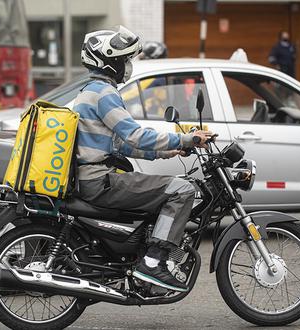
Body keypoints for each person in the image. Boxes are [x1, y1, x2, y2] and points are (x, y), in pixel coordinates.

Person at [74, 26, 211, 292]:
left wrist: (165, 151)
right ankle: (153, 262)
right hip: (99, 180)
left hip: (91, 178)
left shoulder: (88, 92)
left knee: (165, 189)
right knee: (181, 190)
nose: (128, 66)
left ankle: (141, 256)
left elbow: (119, 144)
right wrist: (186, 139)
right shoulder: (104, 94)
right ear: (110, 61)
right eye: (124, 60)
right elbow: (135, 135)